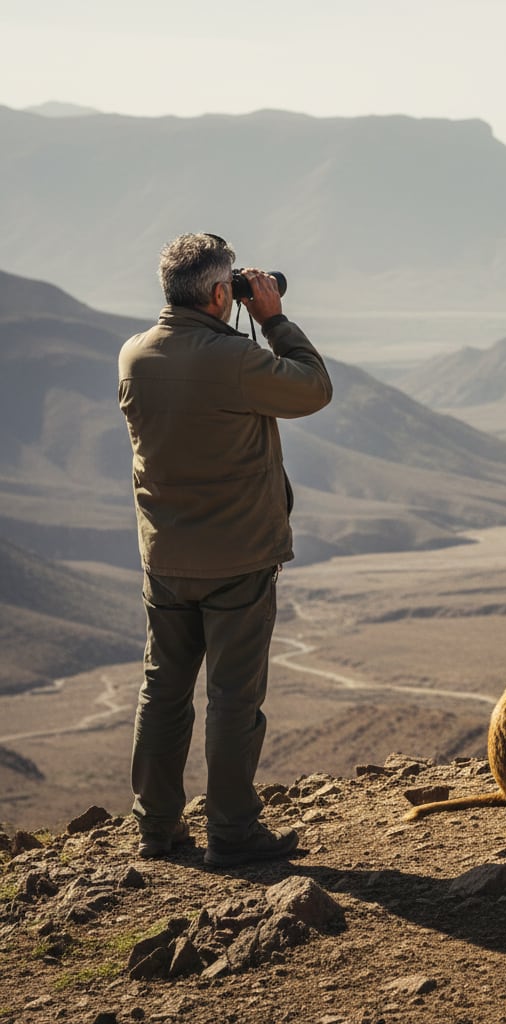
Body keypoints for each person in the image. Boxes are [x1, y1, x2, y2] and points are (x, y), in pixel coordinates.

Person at [118, 232, 333, 867]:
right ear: (220, 293)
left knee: (163, 691)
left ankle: (156, 829)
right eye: (232, 283)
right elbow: (313, 388)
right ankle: (234, 835)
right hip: (237, 559)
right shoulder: (233, 359)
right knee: (234, 702)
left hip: (165, 557)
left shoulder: (134, 354)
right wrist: (273, 318)